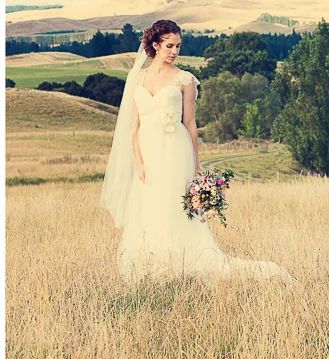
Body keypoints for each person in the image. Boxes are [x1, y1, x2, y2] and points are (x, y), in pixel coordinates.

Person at [100, 19, 293, 284]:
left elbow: (189, 123)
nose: (175, 51)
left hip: (174, 149)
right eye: (169, 45)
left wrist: (195, 162)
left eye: (178, 45)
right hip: (147, 151)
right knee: (150, 206)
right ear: (155, 45)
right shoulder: (138, 79)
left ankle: (182, 261)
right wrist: (139, 163)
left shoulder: (185, 80)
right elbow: (134, 127)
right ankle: (153, 262)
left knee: (174, 203)